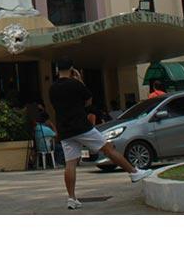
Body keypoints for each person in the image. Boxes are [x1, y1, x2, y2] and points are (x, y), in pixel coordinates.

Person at [50, 59, 152, 210]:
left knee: (70, 163)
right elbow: (88, 100)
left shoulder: (52, 88)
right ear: (72, 69)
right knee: (108, 148)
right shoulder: (75, 84)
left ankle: (71, 198)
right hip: (81, 126)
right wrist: (79, 80)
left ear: (57, 70)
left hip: (65, 129)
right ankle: (134, 172)